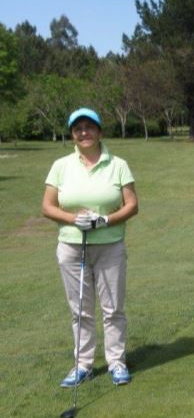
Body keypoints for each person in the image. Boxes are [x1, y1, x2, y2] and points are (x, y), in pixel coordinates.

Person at [42, 107, 139, 387]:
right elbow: (47, 206)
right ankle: (82, 364)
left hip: (109, 246)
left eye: (89, 127)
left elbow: (132, 205)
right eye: (78, 128)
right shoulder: (61, 166)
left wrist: (104, 220)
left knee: (113, 308)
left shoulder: (118, 164)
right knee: (80, 309)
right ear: (72, 134)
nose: (84, 133)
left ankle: (116, 362)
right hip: (72, 247)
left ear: (99, 131)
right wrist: (74, 219)